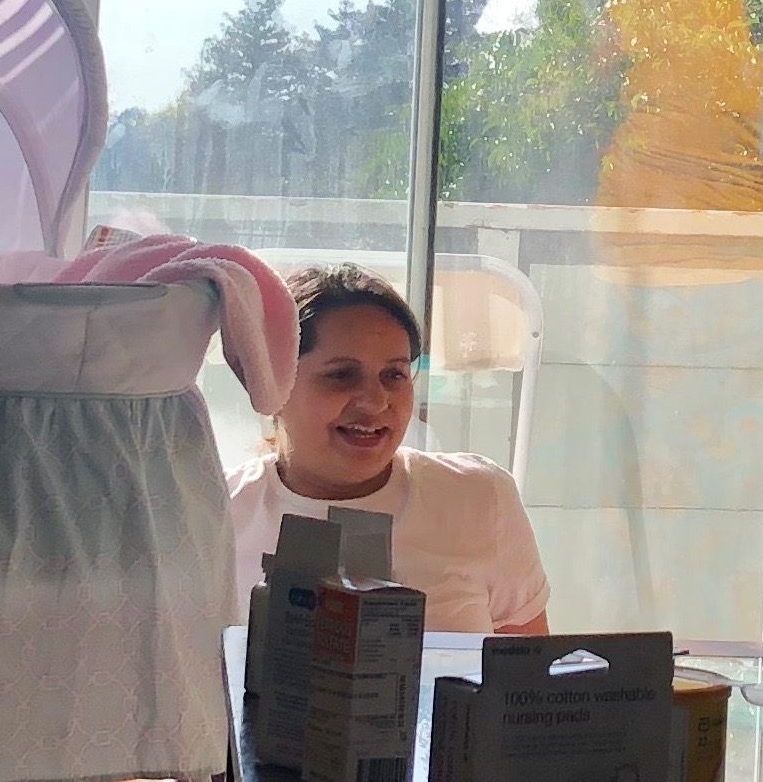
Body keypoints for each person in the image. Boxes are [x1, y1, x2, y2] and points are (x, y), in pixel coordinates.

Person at [225, 265, 550, 637]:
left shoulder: (479, 498)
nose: (376, 401)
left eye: (394, 374)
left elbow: (528, 664)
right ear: (271, 385)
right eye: (341, 374)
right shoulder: (217, 515)